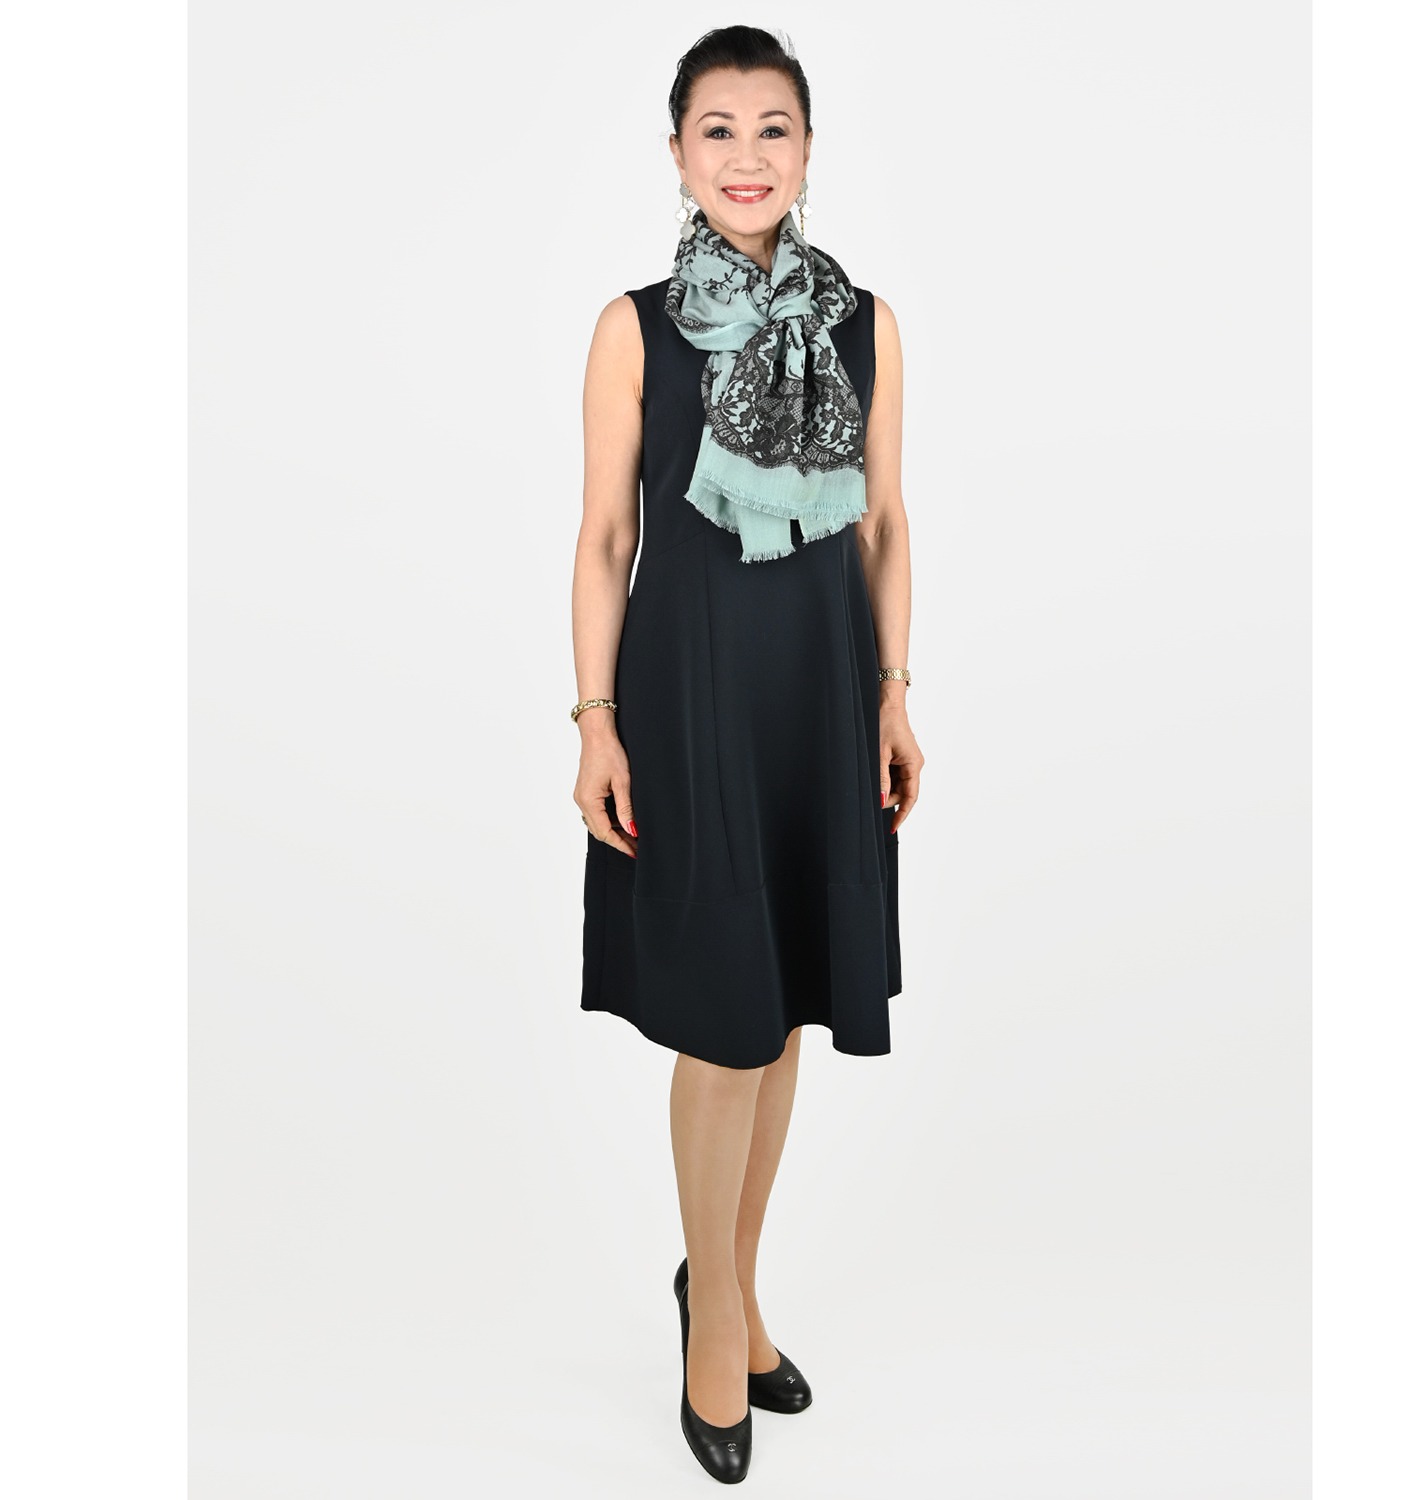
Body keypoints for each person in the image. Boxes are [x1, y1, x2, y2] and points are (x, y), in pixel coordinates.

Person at [569, 24, 923, 1484]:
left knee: (781, 1019)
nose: (747, 155)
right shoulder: (635, 327)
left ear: (809, 148)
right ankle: (714, 1314)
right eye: (717, 129)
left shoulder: (866, 325)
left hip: (820, 698)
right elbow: (606, 537)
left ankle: (732, 1283)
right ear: (676, 153)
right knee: (721, 1021)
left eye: (773, 127)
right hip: (691, 696)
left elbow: (884, 526)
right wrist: (594, 721)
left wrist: (892, 694)